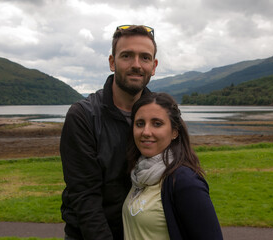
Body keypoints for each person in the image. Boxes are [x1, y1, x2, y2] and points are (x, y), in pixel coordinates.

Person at [60, 25, 158, 240]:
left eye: (145, 57)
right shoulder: (83, 116)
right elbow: (85, 197)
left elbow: (180, 174)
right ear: (112, 62)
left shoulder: (163, 116)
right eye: (126, 56)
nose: (136, 65)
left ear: (154, 66)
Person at [123, 92, 223, 240]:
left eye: (157, 124)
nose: (145, 132)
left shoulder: (185, 182)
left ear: (174, 132)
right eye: (140, 124)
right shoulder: (139, 174)